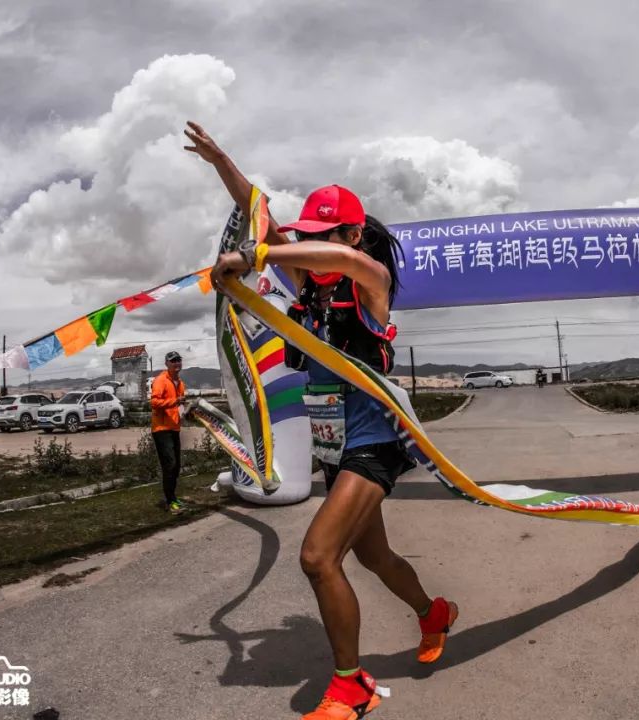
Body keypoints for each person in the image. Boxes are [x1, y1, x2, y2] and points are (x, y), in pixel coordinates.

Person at [185, 122, 457, 720]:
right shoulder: (307, 286)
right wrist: (223, 163)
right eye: (305, 235)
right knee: (374, 557)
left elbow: (328, 256)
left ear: (353, 235)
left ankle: (351, 686)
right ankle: (434, 613)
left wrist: (255, 256)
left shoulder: (371, 281)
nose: (309, 246)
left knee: (317, 557)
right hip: (337, 447)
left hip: (376, 441)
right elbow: (262, 218)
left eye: (323, 234)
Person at [151, 350, 187, 515]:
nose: (176, 363)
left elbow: (180, 405)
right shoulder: (160, 380)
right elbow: (154, 402)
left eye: (178, 360)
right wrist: (175, 401)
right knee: (170, 465)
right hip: (161, 429)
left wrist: (185, 412)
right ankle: (170, 501)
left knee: (176, 466)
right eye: (173, 361)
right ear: (167, 363)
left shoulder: (180, 383)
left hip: (174, 428)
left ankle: (172, 497)